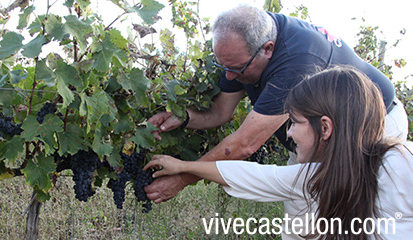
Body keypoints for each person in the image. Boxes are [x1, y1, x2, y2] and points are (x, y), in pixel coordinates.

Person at [145, 4, 408, 204]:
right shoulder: (243, 53)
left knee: (354, 211)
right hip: (315, 138)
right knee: (301, 211)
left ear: (268, 49)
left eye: (236, 68)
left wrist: (182, 178)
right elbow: (221, 112)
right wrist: (184, 117)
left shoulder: (297, 62)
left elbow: (245, 145)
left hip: (373, 128)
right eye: (222, 67)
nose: (229, 77)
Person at [144, 66, 413, 239]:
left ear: (325, 128)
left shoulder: (401, 165)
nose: (289, 134)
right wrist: (183, 167)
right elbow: (252, 175)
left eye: (294, 123)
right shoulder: (320, 176)